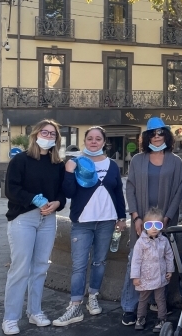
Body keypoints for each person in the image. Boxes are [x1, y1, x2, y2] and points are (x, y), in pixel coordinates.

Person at [53, 127, 127, 327]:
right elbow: (68, 192)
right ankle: (75, 304)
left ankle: (93, 295)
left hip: (107, 221)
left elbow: (119, 193)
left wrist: (122, 217)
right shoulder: (77, 163)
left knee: (99, 262)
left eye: (98, 139)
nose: (94, 142)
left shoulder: (111, 165)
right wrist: (69, 173)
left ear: (104, 142)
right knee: (78, 265)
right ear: (85, 141)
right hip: (82, 223)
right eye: (90, 138)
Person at [1, 120, 66, 335]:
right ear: (35, 134)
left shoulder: (58, 163)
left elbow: (61, 193)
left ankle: (35, 311)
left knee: (40, 267)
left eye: (52, 134)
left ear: (57, 139)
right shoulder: (21, 160)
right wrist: (33, 200)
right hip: (23, 218)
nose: (48, 136)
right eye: (44, 132)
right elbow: (11, 189)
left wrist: (57, 203)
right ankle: (10, 318)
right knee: (20, 269)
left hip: (48, 219)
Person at [120, 117, 182, 326]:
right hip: (141, 220)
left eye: (161, 133)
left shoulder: (175, 161)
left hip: (164, 220)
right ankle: (130, 307)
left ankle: (159, 305)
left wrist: (166, 218)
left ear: (167, 135)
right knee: (135, 259)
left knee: (163, 259)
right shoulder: (138, 160)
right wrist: (136, 216)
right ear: (147, 137)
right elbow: (130, 188)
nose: (157, 137)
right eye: (153, 133)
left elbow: (178, 192)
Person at [131, 207, 175, 332]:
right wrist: (135, 276)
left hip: (160, 276)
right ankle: (140, 318)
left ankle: (162, 319)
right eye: (150, 224)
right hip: (145, 276)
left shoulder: (164, 240)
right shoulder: (141, 243)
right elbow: (136, 260)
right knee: (143, 299)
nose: (154, 228)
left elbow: (169, 255)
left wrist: (169, 270)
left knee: (160, 299)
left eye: (158, 224)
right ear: (145, 226)